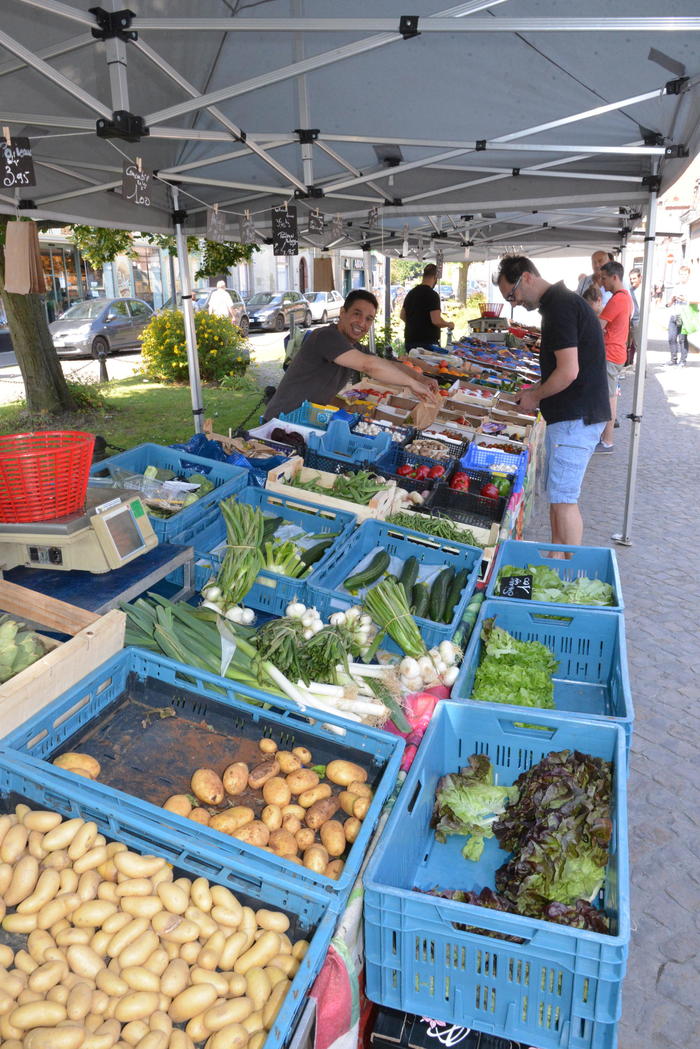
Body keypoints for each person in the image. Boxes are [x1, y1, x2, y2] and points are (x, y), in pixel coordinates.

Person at [495, 255, 609, 548]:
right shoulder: (561, 303)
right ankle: (557, 559)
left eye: (513, 294)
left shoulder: (559, 308)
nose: (515, 302)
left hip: (575, 417)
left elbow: (569, 371)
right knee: (559, 497)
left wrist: (535, 395)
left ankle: (568, 574)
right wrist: (535, 387)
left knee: (565, 500)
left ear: (527, 277)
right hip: (575, 414)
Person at [263, 289, 439, 421]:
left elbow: (387, 364)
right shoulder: (326, 336)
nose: (362, 323)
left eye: (369, 319)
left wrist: (420, 379)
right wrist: (412, 383)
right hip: (280, 422)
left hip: (304, 420)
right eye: (357, 314)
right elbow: (368, 365)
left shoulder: (353, 348)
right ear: (342, 313)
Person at [596, 261, 633, 451]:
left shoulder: (618, 299)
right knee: (610, 396)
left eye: (604, 278)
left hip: (610, 354)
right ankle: (604, 436)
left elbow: (597, 327)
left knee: (609, 398)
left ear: (614, 277)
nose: (601, 283)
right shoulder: (625, 297)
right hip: (616, 354)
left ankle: (607, 440)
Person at [400, 263, 454, 351]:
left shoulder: (411, 293)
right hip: (427, 344)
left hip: (410, 341)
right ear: (435, 277)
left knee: (411, 364)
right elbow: (436, 321)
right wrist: (449, 324)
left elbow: (402, 315)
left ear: (424, 275)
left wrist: (415, 325)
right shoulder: (432, 295)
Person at [666, 265, 691, 366]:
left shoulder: (691, 287)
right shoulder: (676, 286)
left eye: (685, 274)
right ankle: (673, 359)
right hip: (674, 314)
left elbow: (697, 301)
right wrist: (672, 300)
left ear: (688, 275)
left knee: (682, 339)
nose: (683, 276)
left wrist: (684, 299)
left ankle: (683, 360)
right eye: (681, 274)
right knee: (671, 338)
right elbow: (669, 303)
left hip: (683, 315)